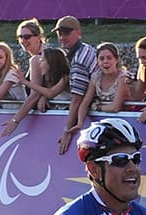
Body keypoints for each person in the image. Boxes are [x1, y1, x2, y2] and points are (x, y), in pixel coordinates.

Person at [53, 15, 98, 155]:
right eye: (59, 33)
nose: (62, 37)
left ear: (78, 33)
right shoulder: (85, 49)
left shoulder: (79, 59)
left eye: (66, 33)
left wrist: (67, 131)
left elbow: (77, 99)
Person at [1, 45, 68, 137]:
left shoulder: (65, 78)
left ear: (51, 63)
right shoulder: (49, 79)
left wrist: (25, 82)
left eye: (42, 60)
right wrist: (43, 97)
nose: (39, 64)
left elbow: (50, 93)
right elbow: (46, 92)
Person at [77, 42, 129, 117]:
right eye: (101, 59)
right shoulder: (96, 77)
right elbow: (85, 104)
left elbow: (115, 107)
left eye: (109, 58)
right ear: (97, 61)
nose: (105, 61)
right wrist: (79, 124)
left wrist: (98, 107)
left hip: (125, 118)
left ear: (117, 60)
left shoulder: (123, 77)